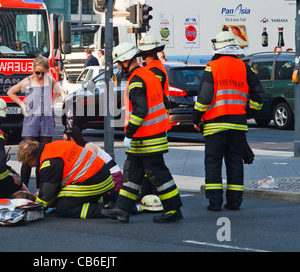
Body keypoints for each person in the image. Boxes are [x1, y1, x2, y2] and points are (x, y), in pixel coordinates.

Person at [101, 42, 183, 223]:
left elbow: (140, 111)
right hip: (148, 136)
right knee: (132, 173)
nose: (119, 68)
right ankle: (122, 209)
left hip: (147, 137)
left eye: (119, 64)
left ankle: (173, 209)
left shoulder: (137, 79)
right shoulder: (148, 74)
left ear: (126, 61)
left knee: (157, 174)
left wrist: (129, 133)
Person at [193, 31, 264, 211]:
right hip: (238, 124)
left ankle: (215, 203)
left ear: (217, 47)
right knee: (235, 163)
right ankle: (234, 202)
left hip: (215, 125)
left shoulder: (212, 67)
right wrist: (248, 111)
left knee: (213, 163)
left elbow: (205, 97)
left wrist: (196, 116)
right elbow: (258, 94)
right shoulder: (244, 67)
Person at [16, 140, 115, 218]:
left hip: (94, 180)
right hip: (101, 176)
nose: (31, 166)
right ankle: (114, 200)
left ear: (32, 159)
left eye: (29, 164)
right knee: (65, 196)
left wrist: (37, 205)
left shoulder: (48, 162)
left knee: (63, 206)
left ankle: (103, 209)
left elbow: (47, 194)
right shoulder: (52, 147)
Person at [7, 55, 62, 190]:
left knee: (43, 155)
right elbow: (11, 92)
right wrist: (22, 105)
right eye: (37, 72)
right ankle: (23, 188)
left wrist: (52, 105)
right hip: (31, 118)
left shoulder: (49, 79)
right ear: (33, 70)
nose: (40, 75)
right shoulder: (27, 81)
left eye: (43, 72)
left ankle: (40, 189)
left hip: (47, 118)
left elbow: (59, 92)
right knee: (28, 153)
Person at [63, 126, 123, 191]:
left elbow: (93, 166)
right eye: (63, 139)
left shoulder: (88, 147)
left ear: (76, 138)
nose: (65, 142)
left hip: (113, 176)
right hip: (105, 176)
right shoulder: (79, 148)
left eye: (67, 139)